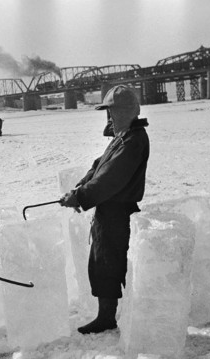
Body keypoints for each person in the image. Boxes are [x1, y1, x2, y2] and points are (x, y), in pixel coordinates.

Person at [58, 86, 150, 334]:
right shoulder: (122, 137)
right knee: (100, 263)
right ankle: (105, 315)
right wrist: (80, 188)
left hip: (117, 211)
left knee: (109, 264)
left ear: (124, 111)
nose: (108, 117)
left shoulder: (133, 140)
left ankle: (107, 318)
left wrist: (81, 197)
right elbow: (99, 166)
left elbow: (111, 178)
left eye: (111, 112)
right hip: (107, 209)